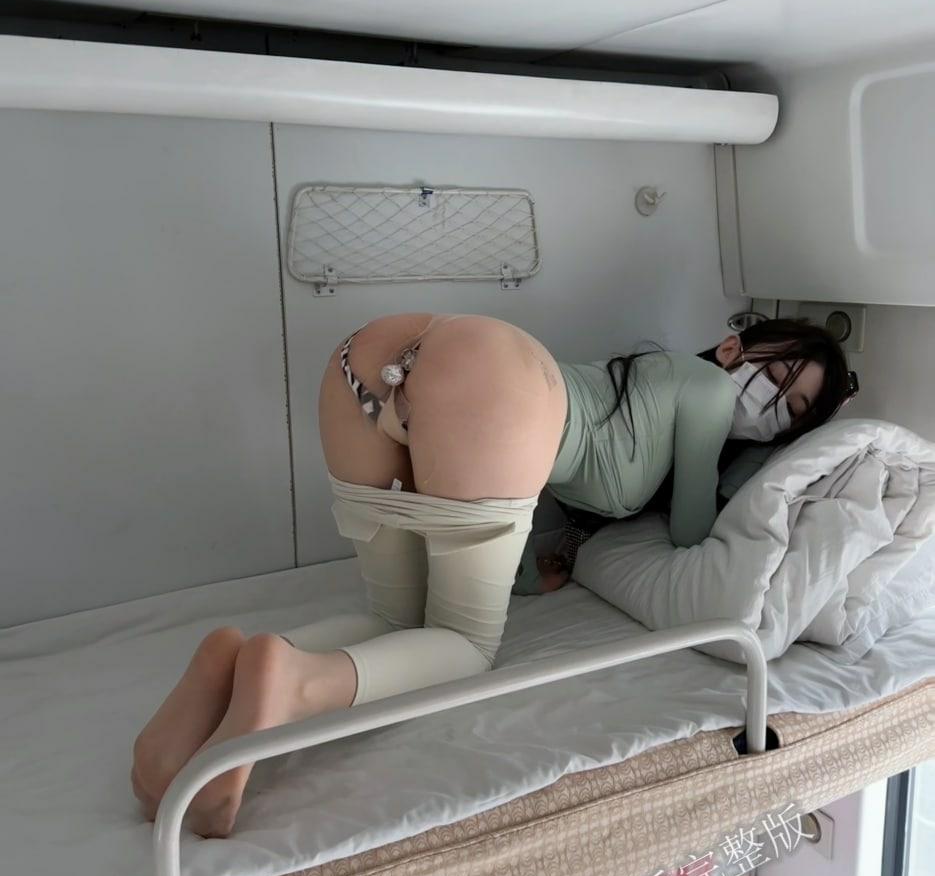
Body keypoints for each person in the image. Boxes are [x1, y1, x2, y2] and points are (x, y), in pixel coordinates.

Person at [131, 313, 852, 836]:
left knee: (396, 621)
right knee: (466, 646)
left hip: (376, 354)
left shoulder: (643, 388)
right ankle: (293, 684)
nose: (769, 405)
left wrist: (528, 573)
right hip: (490, 373)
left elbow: (518, 474)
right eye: (776, 376)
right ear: (731, 348)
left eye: (790, 411)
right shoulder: (710, 393)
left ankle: (242, 660)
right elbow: (693, 527)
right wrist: (751, 473)